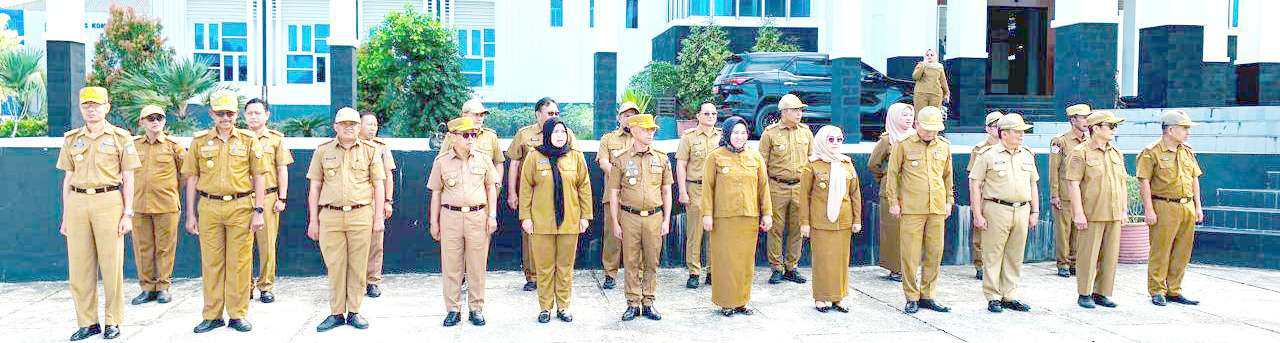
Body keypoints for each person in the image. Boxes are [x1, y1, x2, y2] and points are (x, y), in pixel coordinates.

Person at [57, 86, 141, 341]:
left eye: (96, 104)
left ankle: (112, 321)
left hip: (109, 201)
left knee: (111, 265)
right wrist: (65, 215)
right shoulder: (72, 139)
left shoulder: (120, 137)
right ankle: (87, 322)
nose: (91, 109)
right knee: (79, 267)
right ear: (81, 108)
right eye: (86, 105)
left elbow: (128, 177)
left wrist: (127, 213)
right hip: (78, 203)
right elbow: (67, 178)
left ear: (107, 107)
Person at [184, 90, 269, 333]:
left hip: (241, 207)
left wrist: (259, 210)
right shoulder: (199, 141)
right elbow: (191, 178)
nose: (225, 118)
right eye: (220, 113)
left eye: (230, 113)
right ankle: (212, 315)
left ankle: (237, 314)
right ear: (212, 114)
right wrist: (190, 214)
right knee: (211, 263)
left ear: (236, 115)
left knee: (239, 263)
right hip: (209, 206)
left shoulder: (248, 140)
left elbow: (259, 177)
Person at [307, 108, 387, 332]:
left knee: (358, 265)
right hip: (330, 216)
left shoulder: (371, 151)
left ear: (359, 127)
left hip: (361, 214)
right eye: (344, 124)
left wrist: (378, 217)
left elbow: (378, 185)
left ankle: (354, 311)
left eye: (353, 123)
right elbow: (315, 186)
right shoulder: (322, 151)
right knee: (335, 265)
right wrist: (313, 220)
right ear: (335, 127)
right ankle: (335, 313)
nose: (349, 127)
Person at [519, 117, 592, 323]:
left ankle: (563, 306)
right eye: (555, 132)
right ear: (547, 134)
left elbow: (584, 188)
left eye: (563, 132)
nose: (560, 136)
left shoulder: (575, 157)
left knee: (565, 267)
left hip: (569, 221)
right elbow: (525, 188)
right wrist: (525, 216)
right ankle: (545, 308)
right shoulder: (534, 157)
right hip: (541, 222)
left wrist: (585, 216)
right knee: (544, 268)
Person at [427, 117, 500, 326]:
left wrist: (492, 216)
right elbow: (436, 193)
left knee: (477, 265)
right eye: (465, 135)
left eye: (473, 135)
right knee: (452, 265)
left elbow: (491, 188)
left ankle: (476, 308)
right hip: (450, 217)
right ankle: (453, 309)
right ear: (453, 137)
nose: (470, 139)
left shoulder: (484, 159)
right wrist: (434, 222)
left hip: (478, 216)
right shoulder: (442, 162)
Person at [884, 106, 954, 314]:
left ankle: (928, 295)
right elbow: (893, 175)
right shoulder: (903, 145)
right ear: (917, 126)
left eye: (935, 130)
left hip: (937, 208)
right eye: (928, 129)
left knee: (934, 253)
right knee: (910, 255)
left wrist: (949, 201)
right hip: (912, 209)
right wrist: (893, 202)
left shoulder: (943, 146)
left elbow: (947, 177)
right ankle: (911, 296)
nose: (932, 134)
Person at [702, 116, 773, 317]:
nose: (739, 136)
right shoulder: (715, 157)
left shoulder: (755, 157)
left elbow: (763, 188)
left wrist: (767, 213)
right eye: (735, 132)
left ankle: (742, 301)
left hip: (749, 217)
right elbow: (707, 188)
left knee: (744, 261)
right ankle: (727, 302)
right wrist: (707, 214)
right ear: (727, 134)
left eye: (743, 132)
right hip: (723, 218)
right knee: (725, 260)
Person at [969, 113, 1039, 313]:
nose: (1021, 135)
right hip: (996, 208)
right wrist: (977, 214)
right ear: (1004, 134)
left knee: (1015, 254)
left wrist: (1035, 211)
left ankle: (1010, 295)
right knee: (993, 253)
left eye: (1022, 132)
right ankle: (993, 296)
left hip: (1022, 209)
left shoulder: (1026, 154)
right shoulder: (988, 154)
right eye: (1017, 132)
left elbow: (1033, 184)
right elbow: (975, 184)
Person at [608, 114, 673, 321]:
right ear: (634, 131)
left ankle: (648, 302)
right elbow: (614, 193)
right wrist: (615, 222)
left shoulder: (661, 158)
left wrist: (666, 220)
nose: (650, 133)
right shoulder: (621, 159)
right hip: (630, 217)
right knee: (631, 261)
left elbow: (666, 191)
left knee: (652, 262)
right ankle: (633, 303)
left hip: (655, 217)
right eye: (646, 129)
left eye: (652, 129)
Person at [1137, 110, 1204, 307]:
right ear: (1170, 130)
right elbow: (1144, 181)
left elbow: (1194, 179)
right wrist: (1148, 210)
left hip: (1187, 205)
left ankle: (1174, 289)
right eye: (1184, 128)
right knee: (1161, 249)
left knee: (1182, 250)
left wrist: (1198, 206)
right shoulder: (1152, 151)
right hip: (1164, 205)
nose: (1187, 133)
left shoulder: (1187, 151)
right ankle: (1157, 290)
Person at [507, 97, 574, 292]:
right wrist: (512, 192)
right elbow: (514, 163)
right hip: (534, 194)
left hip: (561, 193)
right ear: (538, 114)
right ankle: (533, 276)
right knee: (531, 235)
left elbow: (576, 160)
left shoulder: (565, 133)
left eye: (556, 114)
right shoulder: (524, 134)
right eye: (549, 113)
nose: (553, 116)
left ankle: (555, 276)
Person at [1065, 110, 1128, 309]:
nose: (1113, 130)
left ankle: (1102, 292)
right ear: (1096, 128)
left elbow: (1122, 183)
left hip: (1113, 212)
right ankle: (1084, 292)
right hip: (1092, 213)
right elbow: (1073, 183)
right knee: (1088, 254)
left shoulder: (1116, 152)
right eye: (1110, 126)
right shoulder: (1081, 152)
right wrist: (1078, 212)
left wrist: (1124, 210)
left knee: (1110, 255)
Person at [797, 125, 862, 314]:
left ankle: (839, 297)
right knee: (823, 260)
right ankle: (822, 296)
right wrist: (804, 223)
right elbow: (804, 196)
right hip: (821, 221)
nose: (835, 143)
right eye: (830, 139)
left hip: (843, 221)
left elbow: (855, 194)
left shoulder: (847, 164)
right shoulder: (813, 165)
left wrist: (856, 219)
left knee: (841, 260)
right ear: (822, 141)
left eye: (839, 139)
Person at [129, 105, 185, 307]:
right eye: (150, 118)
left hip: (166, 204)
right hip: (139, 205)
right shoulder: (133, 145)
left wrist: (171, 192)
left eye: (159, 118)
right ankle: (146, 288)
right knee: (143, 248)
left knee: (165, 248)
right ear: (141, 121)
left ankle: (163, 287)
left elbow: (184, 174)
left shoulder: (173, 146)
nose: (155, 122)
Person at [243, 98, 293, 304]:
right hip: (243, 198)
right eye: (250, 113)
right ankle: (245, 287)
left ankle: (266, 286)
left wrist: (282, 197)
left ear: (267, 115)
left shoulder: (275, 140)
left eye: (258, 112)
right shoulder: (239, 138)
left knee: (267, 246)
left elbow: (282, 169)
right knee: (242, 246)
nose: (254, 116)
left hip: (270, 198)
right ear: (244, 116)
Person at [759, 94, 812, 285]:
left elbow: (812, 161)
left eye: (800, 110)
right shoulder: (770, 133)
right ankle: (776, 268)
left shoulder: (806, 132)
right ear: (785, 112)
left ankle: (792, 267)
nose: (800, 114)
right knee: (775, 229)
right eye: (796, 110)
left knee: (797, 228)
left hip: (799, 186)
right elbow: (761, 164)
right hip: (776, 186)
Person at [675, 103, 722, 288]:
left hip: (718, 190)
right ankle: (694, 272)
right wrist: (682, 191)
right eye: (706, 113)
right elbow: (681, 165)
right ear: (698, 116)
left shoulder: (723, 136)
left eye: (713, 113)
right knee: (695, 233)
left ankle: (712, 271)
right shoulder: (689, 137)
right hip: (695, 188)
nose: (710, 116)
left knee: (715, 232)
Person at [868, 103, 914, 282]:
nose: (909, 118)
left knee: (911, 231)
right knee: (893, 231)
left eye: (911, 115)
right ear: (894, 117)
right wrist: (886, 177)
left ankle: (909, 267)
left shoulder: (917, 137)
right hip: (891, 191)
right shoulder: (887, 140)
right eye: (904, 115)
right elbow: (873, 164)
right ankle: (895, 268)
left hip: (912, 190)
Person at [598, 101, 640, 289]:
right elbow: (603, 162)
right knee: (612, 237)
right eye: (626, 115)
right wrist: (620, 176)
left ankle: (636, 273)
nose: (629, 118)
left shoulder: (641, 138)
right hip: (613, 195)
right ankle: (610, 273)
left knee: (636, 238)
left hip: (636, 197)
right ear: (619, 117)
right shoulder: (608, 139)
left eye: (633, 115)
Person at [1049, 104, 1092, 277]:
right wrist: (1054, 194)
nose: (1086, 121)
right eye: (1083, 117)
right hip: (1065, 194)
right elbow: (1053, 168)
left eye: (1088, 117)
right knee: (1063, 231)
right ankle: (1063, 263)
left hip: (1082, 194)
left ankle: (1075, 261)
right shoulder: (1060, 141)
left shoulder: (1089, 141)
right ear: (1073, 119)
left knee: (1079, 230)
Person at [360, 112, 396, 298]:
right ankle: (356, 281)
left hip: (376, 202)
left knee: (376, 244)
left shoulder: (381, 147)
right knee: (356, 244)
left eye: (375, 124)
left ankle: (372, 281)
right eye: (369, 124)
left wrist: (388, 201)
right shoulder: (351, 146)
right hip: (357, 201)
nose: (373, 128)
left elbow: (388, 175)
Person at [967, 111, 1005, 281]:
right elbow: (973, 178)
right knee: (980, 232)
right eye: (995, 126)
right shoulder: (980, 149)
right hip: (983, 195)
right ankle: (980, 265)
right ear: (988, 129)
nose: (998, 129)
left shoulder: (1010, 147)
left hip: (1002, 196)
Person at [911, 49, 950, 114]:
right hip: (921, 94)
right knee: (920, 115)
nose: (929, 56)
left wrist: (946, 93)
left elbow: (943, 81)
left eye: (932, 55)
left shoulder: (939, 66)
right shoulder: (921, 65)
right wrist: (923, 65)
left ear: (935, 56)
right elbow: (915, 77)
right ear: (924, 56)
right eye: (927, 55)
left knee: (933, 116)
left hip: (936, 94)